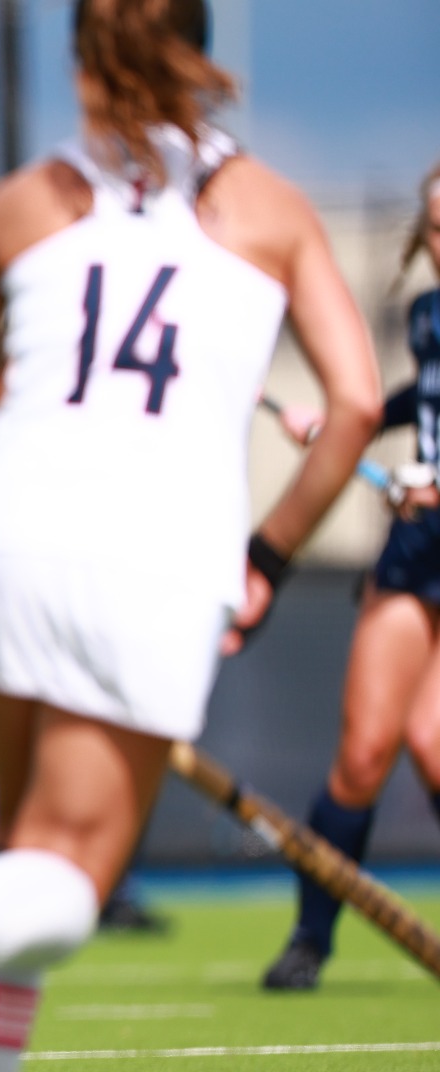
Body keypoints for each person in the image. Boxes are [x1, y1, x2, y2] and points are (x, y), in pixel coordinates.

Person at [0, 0, 379, 1072]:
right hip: (155, 557)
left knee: (24, 833)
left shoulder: (21, 204)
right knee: (67, 875)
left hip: (8, 535)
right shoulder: (269, 212)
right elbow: (355, 404)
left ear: (77, 57)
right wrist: (264, 552)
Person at [262, 161, 440, 990]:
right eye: (432, 228)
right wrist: (344, 426)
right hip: (419, 550)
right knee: (366, 751)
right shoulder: (428, 315)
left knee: (435, 748)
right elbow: (418, 402)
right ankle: (311, 938)